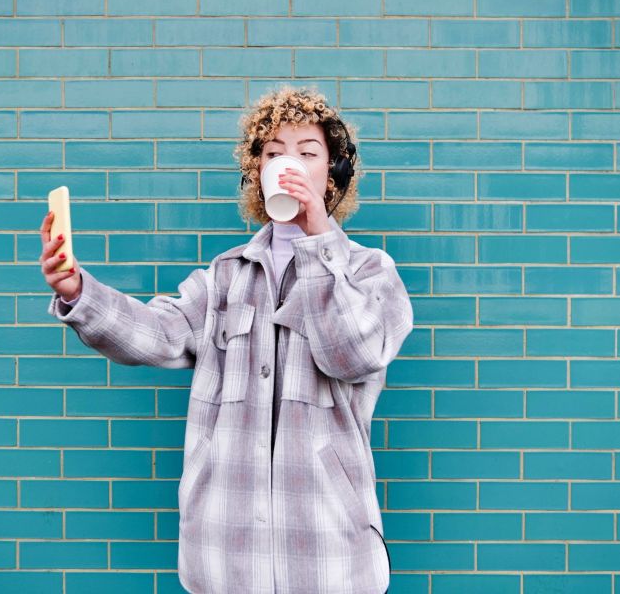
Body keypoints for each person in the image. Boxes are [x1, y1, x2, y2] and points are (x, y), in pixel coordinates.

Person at [40, 85, 414, 594]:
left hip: (331, 557)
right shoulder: (223, 278)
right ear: (256, 172)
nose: (291, 164)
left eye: (308, 154)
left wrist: (318, 238)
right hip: (224, 557)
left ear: (333, 175)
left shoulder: (370, 273)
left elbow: (355, 355)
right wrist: (79, 292)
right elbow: (155, 334)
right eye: (274, 152)